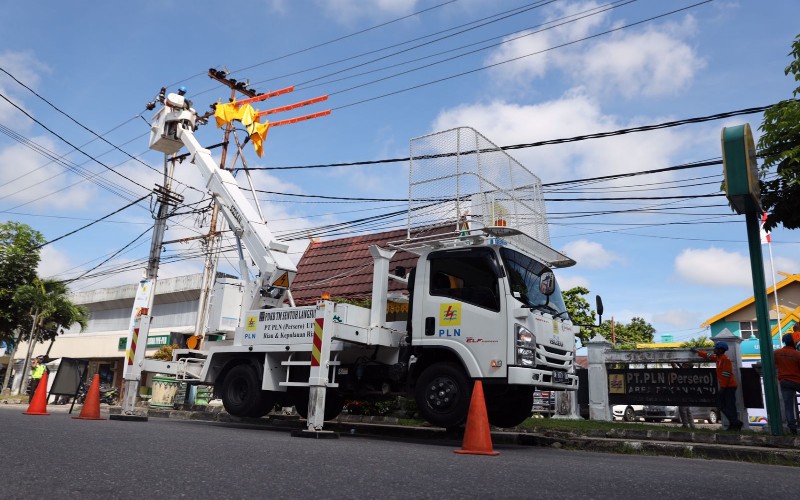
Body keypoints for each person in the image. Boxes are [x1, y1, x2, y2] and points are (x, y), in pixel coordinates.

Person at [693, 341, 744, 431]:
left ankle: (735, 423)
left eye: (715, 348)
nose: (714, 350)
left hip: (729, 386)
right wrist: (697, 351)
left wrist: (723, 387)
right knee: (724, 405)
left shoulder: (725, 359)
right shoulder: (719, 358)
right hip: (725, 386)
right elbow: (708, 356)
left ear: (720, 350)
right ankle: (735, 423)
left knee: (728, 405)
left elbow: (726, 374)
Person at [774, 333, 800, 435]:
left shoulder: (776, 353)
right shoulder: (797, 354)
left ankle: (792, 428)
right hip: (797, 381)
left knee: (788, 405)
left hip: (784, 381)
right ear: (793, 342)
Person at [671, 362, 695, 428]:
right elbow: (676, 367)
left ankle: (686, 424)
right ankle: (691, 425)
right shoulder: (682, 371)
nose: (683, 365)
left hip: (685, 393)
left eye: (685, 365)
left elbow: (681, 369)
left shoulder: (688, 372)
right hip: (683, 393)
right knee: (687, 410)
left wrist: (677, 364)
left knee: (683, 410)